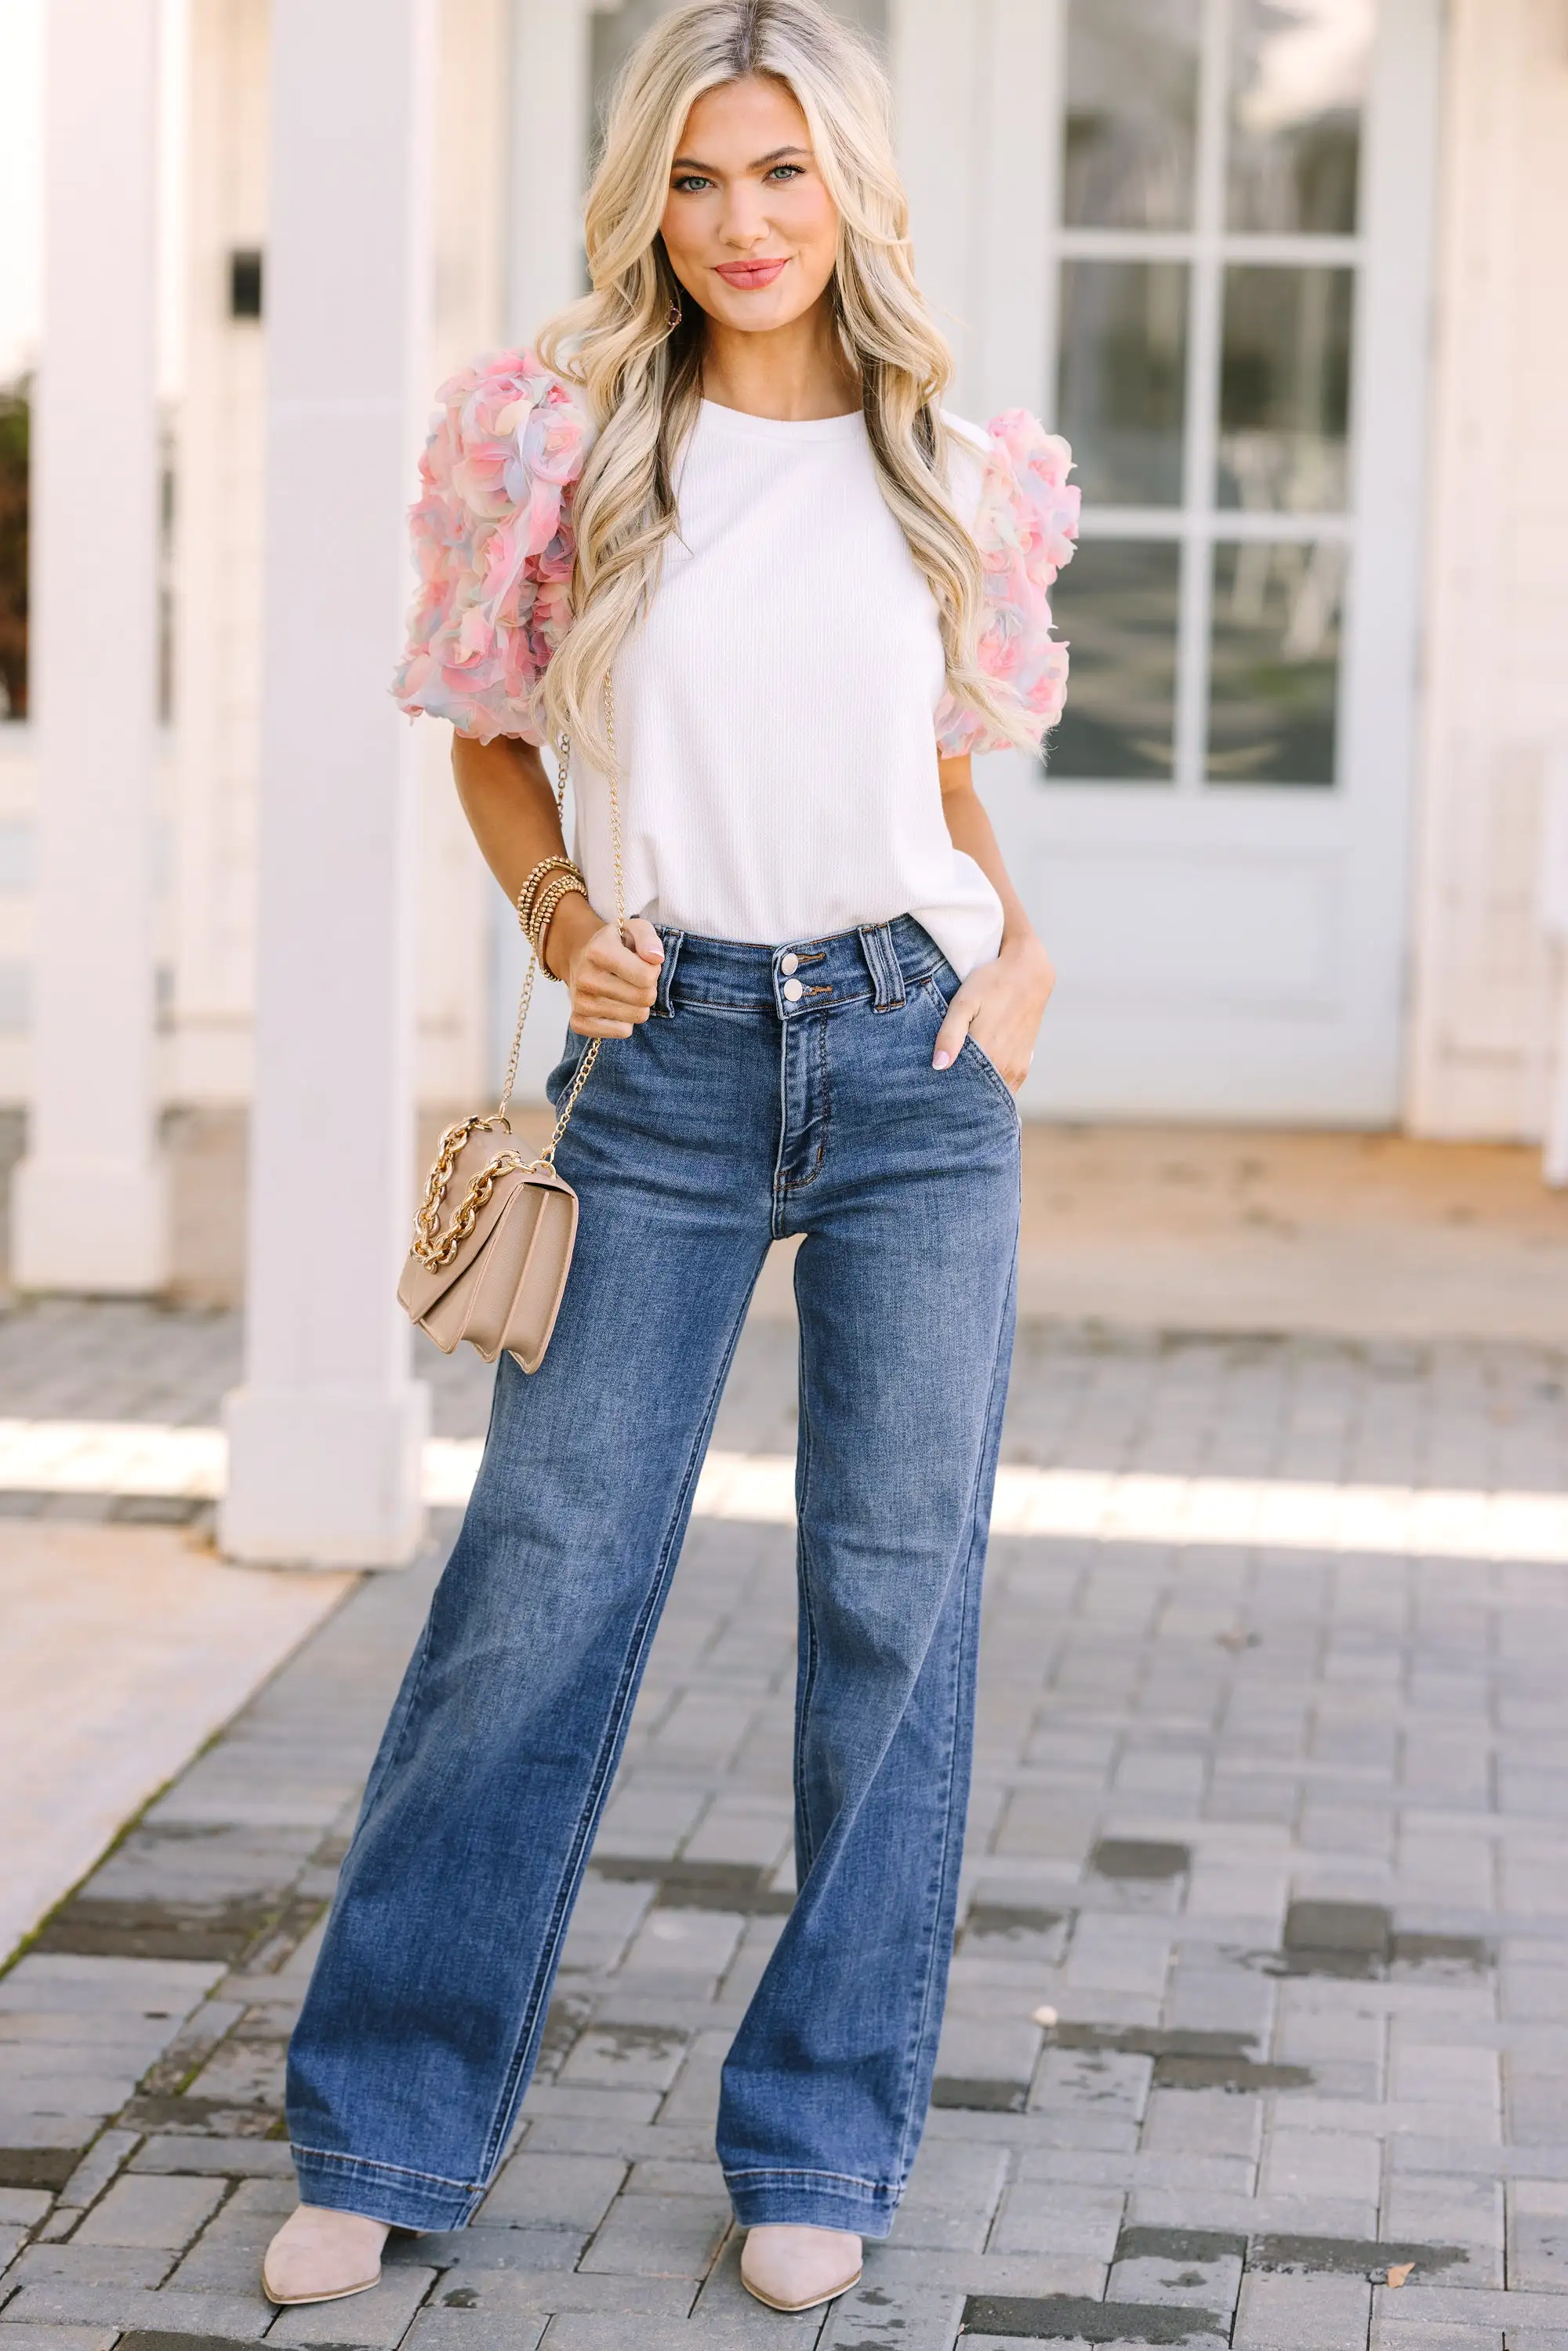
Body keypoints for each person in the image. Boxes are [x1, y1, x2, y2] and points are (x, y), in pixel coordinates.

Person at [261, 0, 1076, 2318]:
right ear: (650, 197)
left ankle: (823, 2134)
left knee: (891, 1604)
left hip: (920, 1067)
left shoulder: (952, 467)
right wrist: (555, 919)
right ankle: (387, 2117)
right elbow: (498, 750)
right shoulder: (566, 444)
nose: (743, 223)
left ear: (855, 195)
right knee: (542, 1578)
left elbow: (944, 779)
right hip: (679, 1058)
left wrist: (1028, 952)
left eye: (786, 176)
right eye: (703, 179)